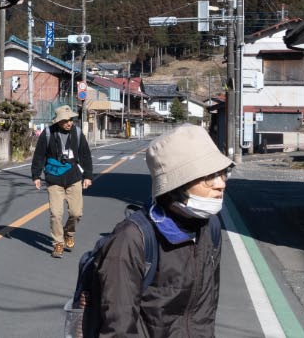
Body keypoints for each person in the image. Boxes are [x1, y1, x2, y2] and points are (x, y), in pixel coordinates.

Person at [94, 124, 232, 337]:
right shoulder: (132, 238)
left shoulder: (210, 227)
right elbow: (118, 329)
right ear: (177, 185)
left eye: (223, 173)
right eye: (209, 176)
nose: (220, 184)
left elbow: (206, 312)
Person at [31, 105, 93, 258]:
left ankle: (68, 233)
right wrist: (36, 176)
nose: (69, 123)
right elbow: (39, 156)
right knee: (56, 214)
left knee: (76, 213)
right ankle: (58, 243)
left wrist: (88, 176)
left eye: (71, 119)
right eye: (65, 120)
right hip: (54, 179)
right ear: (58, 121)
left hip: (74, 178)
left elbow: (85, 155)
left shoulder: (77, 133)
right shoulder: (47, 133)